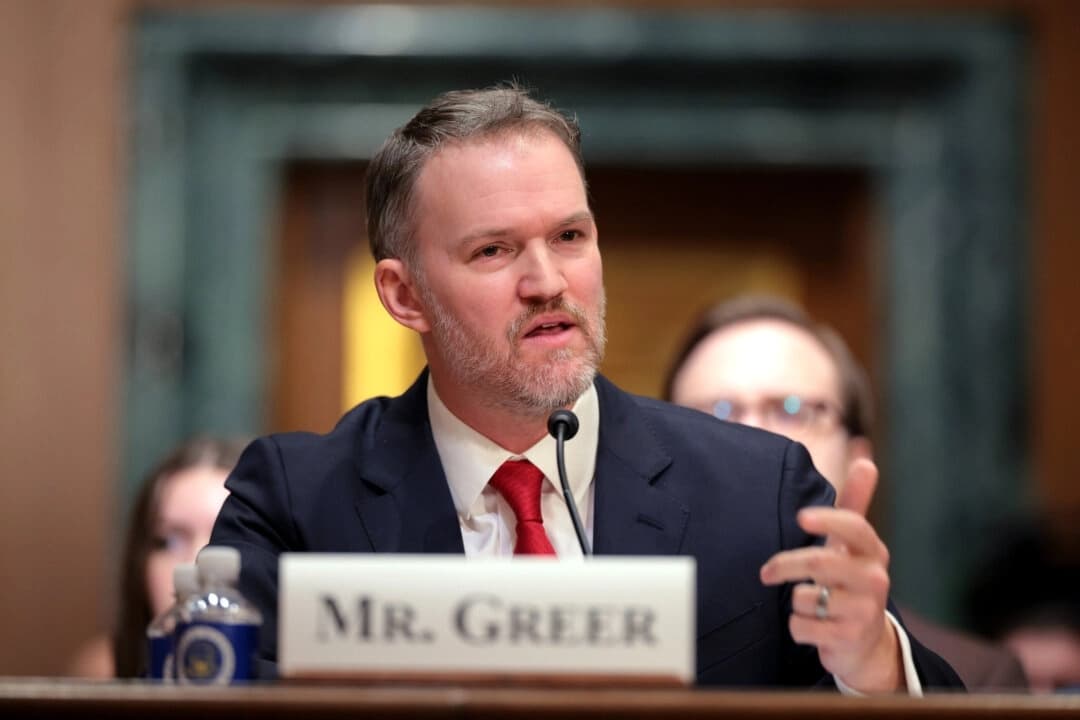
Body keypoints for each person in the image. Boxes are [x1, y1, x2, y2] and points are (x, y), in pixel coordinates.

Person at [210, 84, 961, 691]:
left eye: (570, 237)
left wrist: (871, 663)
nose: (547, 283)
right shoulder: (297, 505)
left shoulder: (761, 489)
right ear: (404, 296)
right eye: (494, 250)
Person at [664, 295, 1027, 691]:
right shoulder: (616, 661)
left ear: (857, 458)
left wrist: (881, 677)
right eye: (715, 414)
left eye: (791, 410)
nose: (751, 440)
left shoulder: (978, 679)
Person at [67, 437, 245, 678]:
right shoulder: (100, 675)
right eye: (168, 542)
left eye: (228, 539)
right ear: (138, 564)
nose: (195, 563)